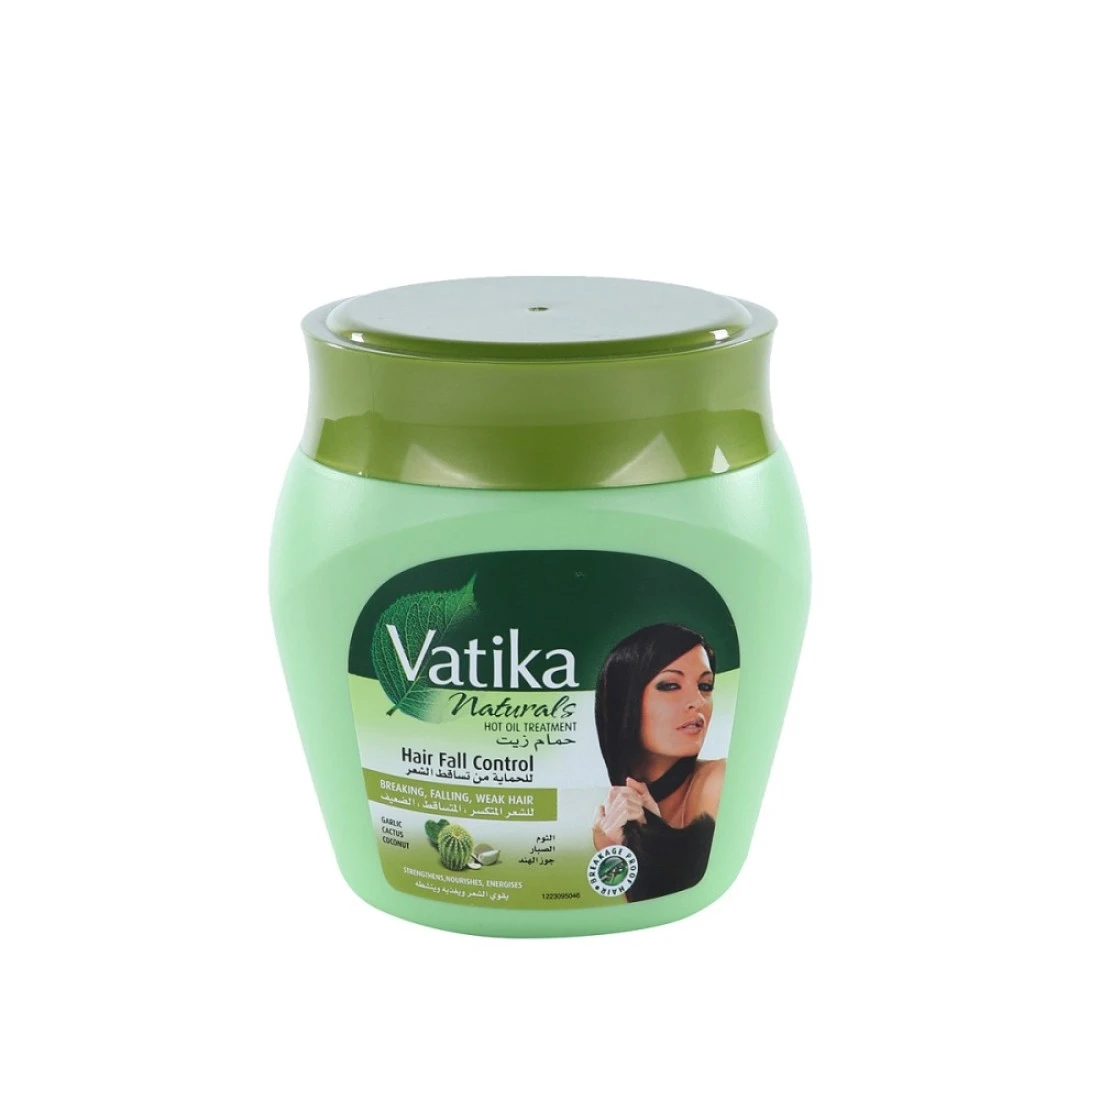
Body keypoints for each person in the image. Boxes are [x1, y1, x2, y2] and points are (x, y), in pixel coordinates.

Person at [593, 623, 726, 901]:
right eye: (670, 685)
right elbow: (643, 911)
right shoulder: (612, 822)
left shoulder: (719, 783)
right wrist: (615, 846)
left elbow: (687, 899)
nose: (697, 701)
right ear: (623, 701)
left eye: (705, 686)